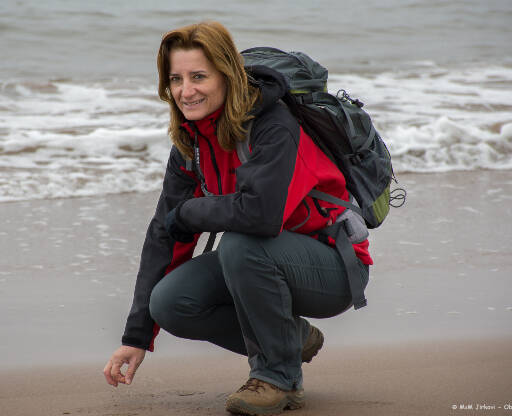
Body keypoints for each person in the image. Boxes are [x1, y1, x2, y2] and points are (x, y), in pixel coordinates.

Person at [103, 21, 372, 415]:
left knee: (242, 241)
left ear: (226, 75)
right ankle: (294, 339)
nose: (186, 90)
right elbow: (165, 231)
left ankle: (278, 378)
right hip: (260, 262)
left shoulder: (273, 124)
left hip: (333, 266)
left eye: (198, 76)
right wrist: (138, 336)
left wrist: (190, 212)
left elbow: (260, 216)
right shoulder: (192, 140)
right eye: (175, 79)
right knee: (172, 302)